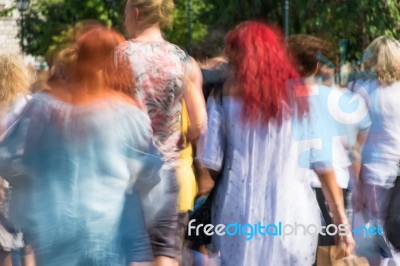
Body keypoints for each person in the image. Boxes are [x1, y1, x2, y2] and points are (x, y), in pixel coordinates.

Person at [0, 26, 161, 266]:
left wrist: (37, 182)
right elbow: (151, 172)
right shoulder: (127, 113)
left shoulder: (43, 107)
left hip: (58, 230)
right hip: (113, 231)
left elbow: (7, 159)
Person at [197, 21, 354, 265]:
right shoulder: (302, 97)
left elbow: (210, 163)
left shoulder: (222, 94)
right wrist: (341, 222)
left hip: (238, 214)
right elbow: (322, 163)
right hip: (293, 214)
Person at [120, 1, 206, 265]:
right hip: (168, 173)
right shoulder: (184, 61)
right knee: (165, 253)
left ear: (135, 13)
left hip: (125, 175)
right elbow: (200, 123)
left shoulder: (117, 56)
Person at [351, 36, 400, 266]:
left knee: (372, 246)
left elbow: (355, 145)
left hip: (371, 176)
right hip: (396, 175)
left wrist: (356, 187)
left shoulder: (360, 90)